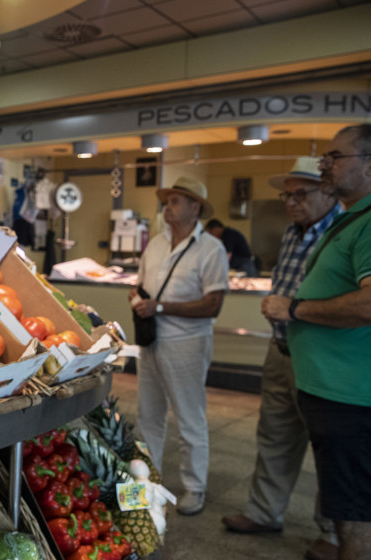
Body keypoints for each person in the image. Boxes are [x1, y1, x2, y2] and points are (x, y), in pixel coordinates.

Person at [221, 157, 341, 560]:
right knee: (274, 435)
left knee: (329, 446)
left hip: (322, 356)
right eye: (286, 195)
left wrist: (291, 308)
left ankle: (334, 533)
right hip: (279, 351)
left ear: (328, 189)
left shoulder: (343, 232)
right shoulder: (291, 234)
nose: (292, 202)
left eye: (301, 194)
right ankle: (264, 511)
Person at [262, 124, 371, 560]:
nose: (326, 164)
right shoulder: (350, 221)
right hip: (326, 385)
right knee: (345, 500)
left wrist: (295, 310)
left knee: (354, 509)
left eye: (335, 157)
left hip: (349, 393)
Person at [129, 176, 229, 516]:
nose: (167, 206)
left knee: (189, 417)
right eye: (167, 200)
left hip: (187, 343)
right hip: (152, 341)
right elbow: (140, 284)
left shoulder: (211, 249)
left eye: (175, 201)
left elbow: (213, 304)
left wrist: (160, 307)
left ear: (195, 207)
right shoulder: (156, 244)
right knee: (148, 416)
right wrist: (137, 297)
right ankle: (148, 482)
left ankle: (194, 488)